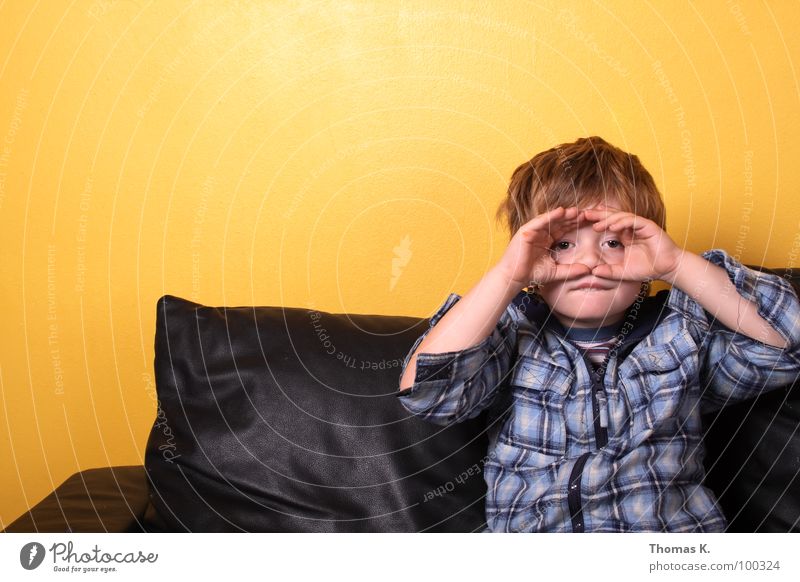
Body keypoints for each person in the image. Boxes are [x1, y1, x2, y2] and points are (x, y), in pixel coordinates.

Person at [396, 136, 800, 532]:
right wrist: (507, 277)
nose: (590, 260)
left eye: (613, 242)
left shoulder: (683, 331)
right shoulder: (509, 334)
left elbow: (787, 340)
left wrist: (677, 264)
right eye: (564, 243)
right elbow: (428, 393)